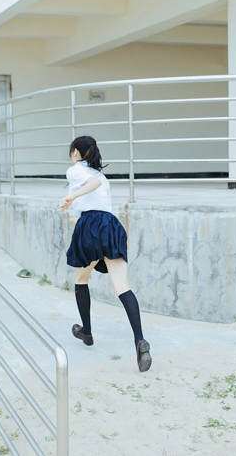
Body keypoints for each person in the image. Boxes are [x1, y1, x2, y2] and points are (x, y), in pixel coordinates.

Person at [59, 135, 151, 373]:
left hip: (91, 224)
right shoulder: (101, 174)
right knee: (122, 286)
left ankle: (87, 332)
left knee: (81, 280)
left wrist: (71, 197)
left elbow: (92, 186)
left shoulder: (76, 170)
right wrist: (78, 219)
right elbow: (99, 204)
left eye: (72, 152)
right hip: (111, 226)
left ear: (76, 152)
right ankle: (140, 339)